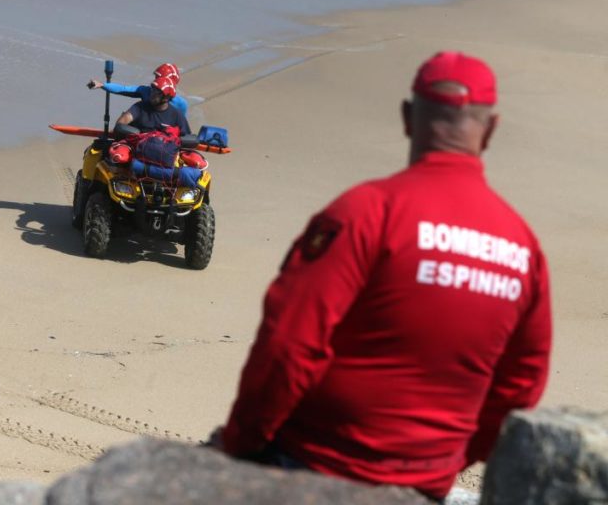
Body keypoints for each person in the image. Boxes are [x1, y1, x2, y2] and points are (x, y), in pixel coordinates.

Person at [214, 51, 552, 503]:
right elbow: (521, 386)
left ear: (408, 118)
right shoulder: (522, 247)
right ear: (490, 130)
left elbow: (289, 344)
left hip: (315, 465)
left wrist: (240, 442)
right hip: (426, 484)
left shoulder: (365, 214)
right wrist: (449, 461)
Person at [87, 62, 189, 116]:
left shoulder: (181, 104)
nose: (155, 81)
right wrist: (102, 85)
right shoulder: (146, 91)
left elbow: (179, 125)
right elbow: (124, 89)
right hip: (145, 130)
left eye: (158, 78)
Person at [114, 76, 191, 136]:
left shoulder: (176, 115)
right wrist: (134, 133)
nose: (152, 93)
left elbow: (187, 138)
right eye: (152, 89)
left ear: (166, 97)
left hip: (165, 154)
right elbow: (121, 123)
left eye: (157, 92)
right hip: (137, 148)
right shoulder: (140, 107)